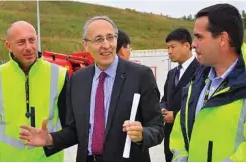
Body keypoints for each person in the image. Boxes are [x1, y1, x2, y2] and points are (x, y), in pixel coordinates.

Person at [19, 15, 164, 162]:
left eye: (111, 38)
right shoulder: (77, 80)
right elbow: (75, 130)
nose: (106, 45)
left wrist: (142, 135)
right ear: (85, 44)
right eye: (98, 39)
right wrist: (50, 139)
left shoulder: (140, 75)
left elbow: (157, 128)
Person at [0, 21, 68, 161]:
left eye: (32, 40)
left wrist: (50, 140)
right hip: (8, 158)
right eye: (21, 42)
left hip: (48, 159)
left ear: (37, 39)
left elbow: (67, 122)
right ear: (8, 46)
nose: (29, 47)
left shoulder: (59, 74)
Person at [170, 4, 246, 162]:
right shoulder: (196, 82)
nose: (193, 44)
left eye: (199, 37)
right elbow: (179, 136)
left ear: (223, 39)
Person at [161, 28, 199, 162]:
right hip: (170, 137)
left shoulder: (201, 70)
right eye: (167, 47)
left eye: (173, 47)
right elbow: (165, 98)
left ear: (187, 46)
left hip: (190, 137)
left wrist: (176, 115)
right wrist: (163, 108)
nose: (169, 51)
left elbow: (200, 104)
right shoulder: (172, 73)